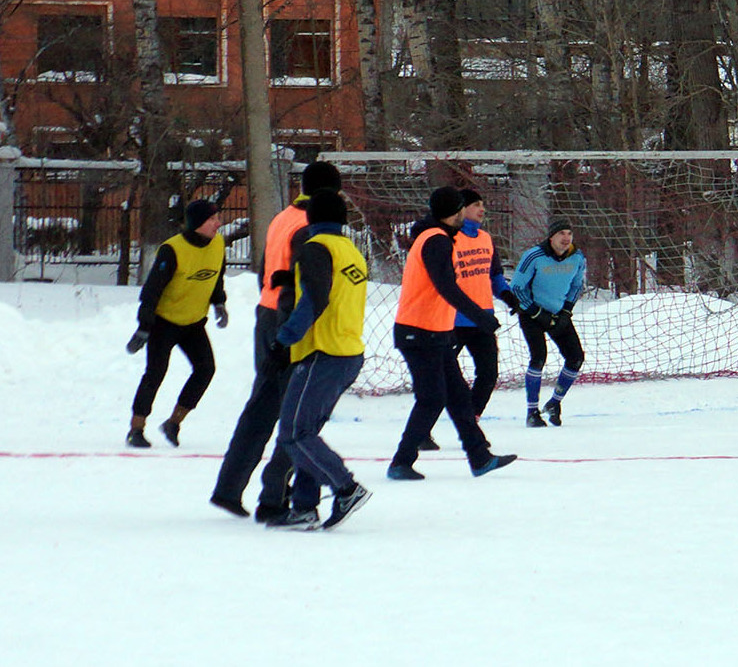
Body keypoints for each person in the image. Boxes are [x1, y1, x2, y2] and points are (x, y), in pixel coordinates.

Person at [211, 160, 342, 523]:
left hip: (266, 314)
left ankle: (229, 487)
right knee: (297, 417)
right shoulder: (310, 228)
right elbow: (303, 287)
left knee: (261, 407)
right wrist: (292, 332)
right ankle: (275, 498)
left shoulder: (283, 217)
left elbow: (266, 268)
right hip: (288, 321)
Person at [386, 186, 517, 481]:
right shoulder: (436, 241)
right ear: (455, 212)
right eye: (464, 208)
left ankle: (480, 457)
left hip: (435, 332)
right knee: (431, 398)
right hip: (418, 332)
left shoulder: (440, 237)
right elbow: (445, 286)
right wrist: (478, 316)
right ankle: (401, 461)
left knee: (458, 396)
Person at [269, 190, 373, 530]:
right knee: (307, 432)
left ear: (311, 218)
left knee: (294, 433)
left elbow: (317, 298)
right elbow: (330, 286)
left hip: (323, 352)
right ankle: (304, 507)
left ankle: (346, 487)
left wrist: (284, 339)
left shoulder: (315, 248)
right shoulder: (350, 251)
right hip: (347, 352)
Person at [126, 199, 226, 449]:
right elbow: (151, 291)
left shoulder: (218, 244)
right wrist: (144, 326)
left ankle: (174, 422)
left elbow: (216, 276)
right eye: (212, 219)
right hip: (164, 323)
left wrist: (219, 303)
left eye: (218, 217)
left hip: (193, 323)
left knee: (206, 369)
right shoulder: (173, 249)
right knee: (156, 373)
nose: (218, 223)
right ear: (197, 224)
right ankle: (136, 429)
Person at [450, 188, 523, 418]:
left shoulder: (485, 238)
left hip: (482, 319)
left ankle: (470, 419)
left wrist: (508, 295)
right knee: (443, 376)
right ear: (461, 209)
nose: (482, 209)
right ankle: (424, 430)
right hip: (453, 319)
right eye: (475, 204)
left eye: (482, 204)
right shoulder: (449, 238)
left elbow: (495, 275)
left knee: (489, 374)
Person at [510, 219, 587, 427]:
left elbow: (577, 286)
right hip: (531, 312)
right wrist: (535, 312)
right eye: (561, 233)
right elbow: (516, 287)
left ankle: (555, 402)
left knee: (576, 357)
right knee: (538, 357)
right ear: (551, 236)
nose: (566, 238)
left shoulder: (577, 257)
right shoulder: (534, 256)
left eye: (569, 233)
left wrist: (566, 312)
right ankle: (532, 412)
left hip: (557, 312)